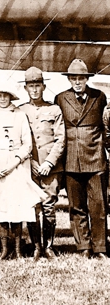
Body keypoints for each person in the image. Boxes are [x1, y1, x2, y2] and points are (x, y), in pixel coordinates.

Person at [0, 86, 45, 260]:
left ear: (10, 97)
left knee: (16, 207)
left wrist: (14, 162)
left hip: (16, 166)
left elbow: (27, 144)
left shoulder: (19, 115)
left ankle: (17, 250)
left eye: (5, 95)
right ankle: (4, 249)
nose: (2, 99)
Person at [55, 59, 108, 259]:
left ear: (87, 79)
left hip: (95, 158)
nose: (77, 82)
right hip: (71, 159)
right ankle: (83, 247)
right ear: (69, 80)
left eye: (81, 78)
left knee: (98, 206)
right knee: (76, 206)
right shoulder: (60, 98)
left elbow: (105, 126)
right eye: (74, 78)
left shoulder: (99, 96)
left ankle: (101, 248)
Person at [18, 67, 65, 261]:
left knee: (49, 206)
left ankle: (49, 247)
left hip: (50, 167)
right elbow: (18, 139)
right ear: (26, 88)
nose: (35, 90)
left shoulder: (54, 110)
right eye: (31, 86)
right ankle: (36, 246)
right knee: (32, 206)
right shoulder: (20, 111)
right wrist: (31, 162)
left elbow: (60, 139)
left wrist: (48, 163)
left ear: (43, 86)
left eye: (38, 85)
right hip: (29, 166)